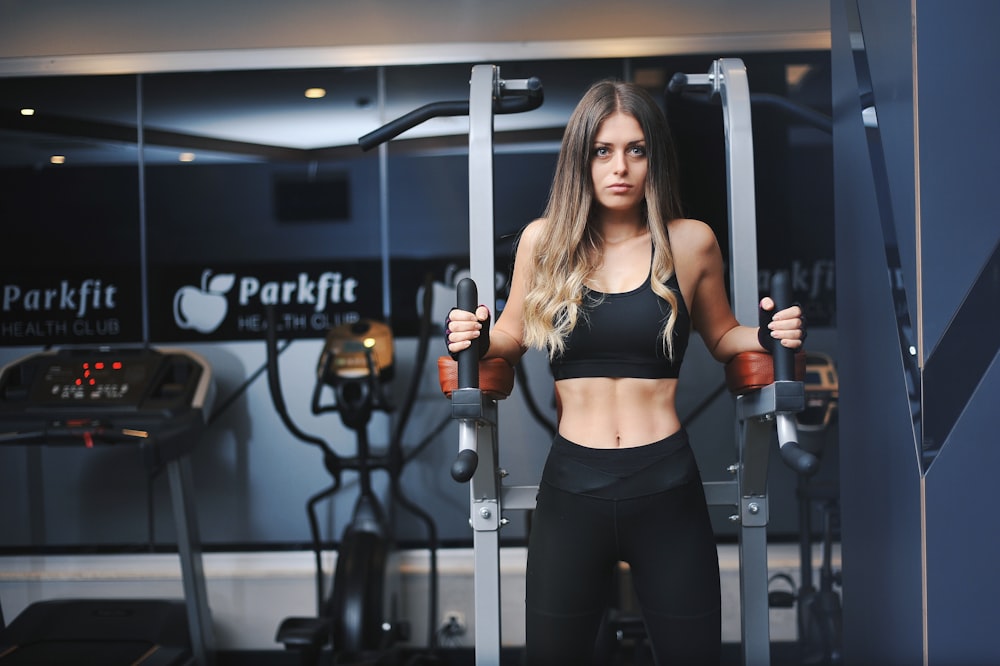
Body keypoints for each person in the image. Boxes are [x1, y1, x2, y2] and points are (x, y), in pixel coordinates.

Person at [445, 79, 805, 666]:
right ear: (580, 159)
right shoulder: (545, 243)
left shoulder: (690, 243)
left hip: (664, 480)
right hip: (572, 485)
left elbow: (722, 336)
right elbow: (509, 337)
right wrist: (478, 336)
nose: (621, 167)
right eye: (603, 151)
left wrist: (769, 335)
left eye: (636, 150)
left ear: (654, 158)